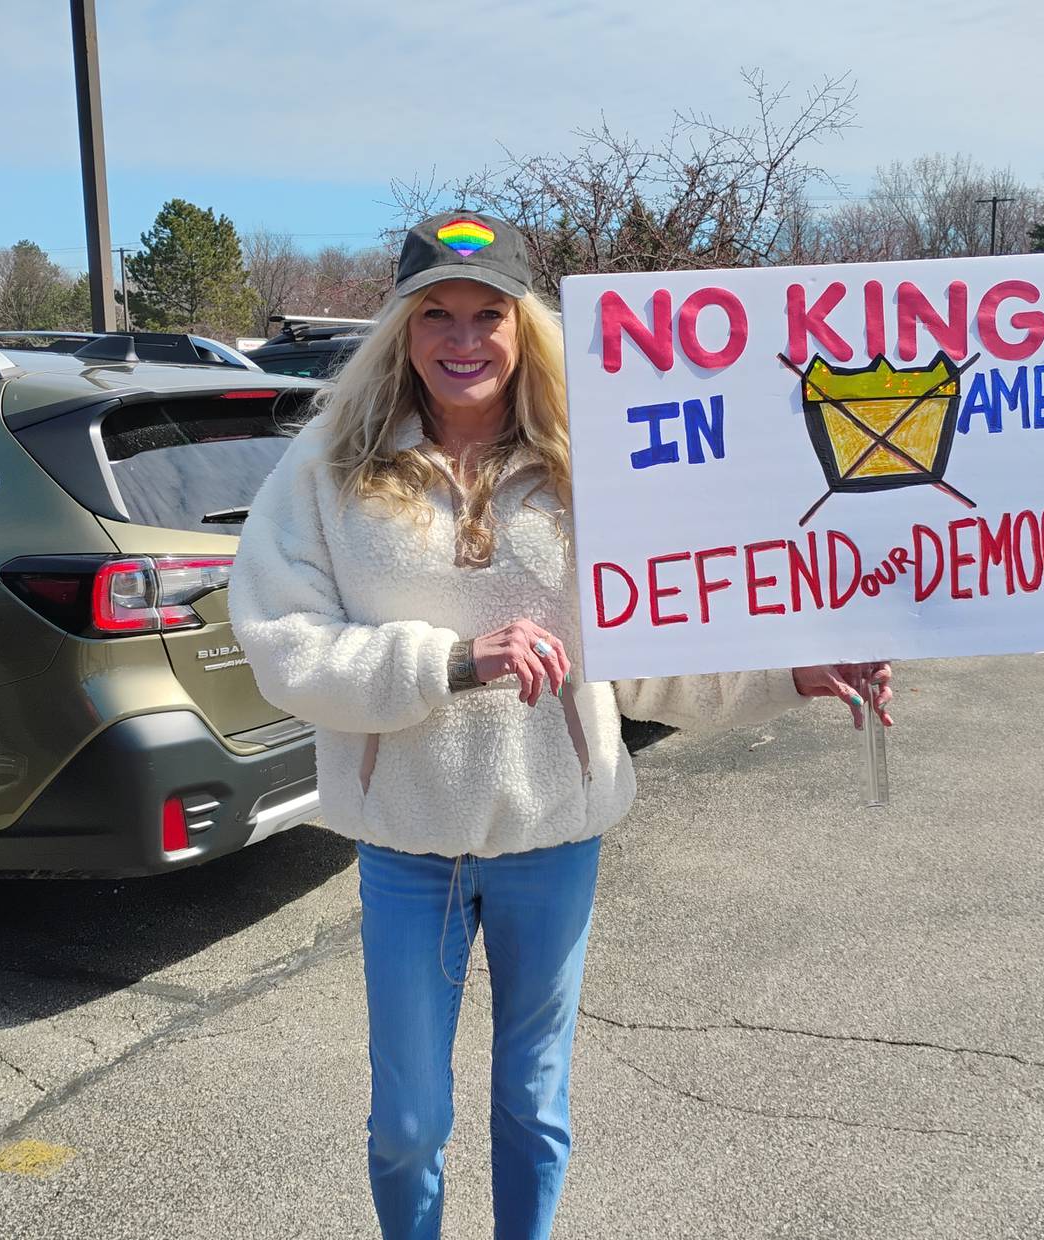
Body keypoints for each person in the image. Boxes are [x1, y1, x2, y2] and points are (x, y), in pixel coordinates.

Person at [228, 212, 894, 1240]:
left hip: (552, 836)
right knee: (407, 1122)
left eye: (488, 314)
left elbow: (654, 640)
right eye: (436, 314)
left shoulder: (594, 461)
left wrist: (788, 671)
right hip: (408, 845)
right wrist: (451, 662)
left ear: (523, 326)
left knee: (533, 1108)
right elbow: (284, 644)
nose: (463, 339)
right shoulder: (330, 463)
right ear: (401, 327)